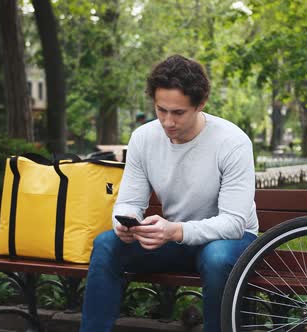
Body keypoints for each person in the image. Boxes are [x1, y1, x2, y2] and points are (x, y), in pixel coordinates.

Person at [79, 55, 259, 332]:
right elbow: (129, 201)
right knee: (106, 245)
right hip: (175, 239)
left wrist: (174, 231)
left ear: (200, 105)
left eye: (178, 113)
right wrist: (126, 222)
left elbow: (234, 223)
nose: (167, 122)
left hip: (230, 240)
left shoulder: (232, 142)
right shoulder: (143, 138)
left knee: (217, 258)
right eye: (161, 110)